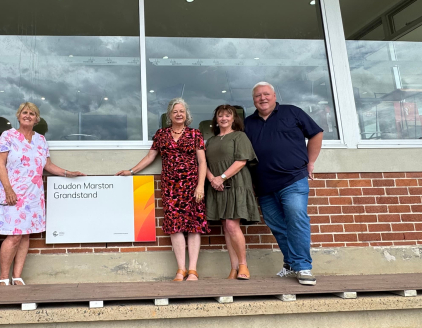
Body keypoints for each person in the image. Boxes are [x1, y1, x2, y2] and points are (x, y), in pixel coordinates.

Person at [117, 98, 208, 282]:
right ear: (169, 115)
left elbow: (202, 161)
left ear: (186, 114)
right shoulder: (161, 134)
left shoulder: (195, 134)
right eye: (175, 111)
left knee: (193, 227)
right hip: (170, 187)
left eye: (182, 111)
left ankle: (193, 270)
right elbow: (150, 157)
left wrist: (200, 185)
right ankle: (181, 269)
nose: (179, 114)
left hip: (191, 187)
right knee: (175, 227)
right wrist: (131, 171)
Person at [0, 102, 85, 286]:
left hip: (33, 196)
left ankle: (17, 276)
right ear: (18, 116)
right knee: (13, 236)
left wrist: (68, 173)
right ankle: (3, 278)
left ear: (37, 119)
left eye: (32, 114)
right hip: (12, 194)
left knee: (26, 235)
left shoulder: (41, 140)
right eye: (25, 112)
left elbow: (47, 165)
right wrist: (8, 189)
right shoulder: (8, 136)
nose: (28, 115)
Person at [245, 82, 323, 286]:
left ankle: (303, 266)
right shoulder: (248, 123)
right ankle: (291, 262)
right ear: (253, 99)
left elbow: (316, 133)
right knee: (277, 225)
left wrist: (311, 161)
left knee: (296, 219)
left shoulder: (292, 112)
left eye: (266, 94)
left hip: (293, 179)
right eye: (257, 96)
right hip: (264, 184)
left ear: (274, 95)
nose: (262, 98)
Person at [204, 105, 258, 281]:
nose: (224, 118)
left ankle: (243, 264)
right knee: (226, 228)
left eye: (228, 115)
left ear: (233, 119)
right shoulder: (211, 141)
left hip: (236, 184)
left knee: (232, 225)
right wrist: (213, 179)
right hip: (217, 185)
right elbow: (203, 163)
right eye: (220, 116)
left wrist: (222, 177)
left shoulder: (239, 136)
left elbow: (241, 161)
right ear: (216, 119)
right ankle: (233, 268)